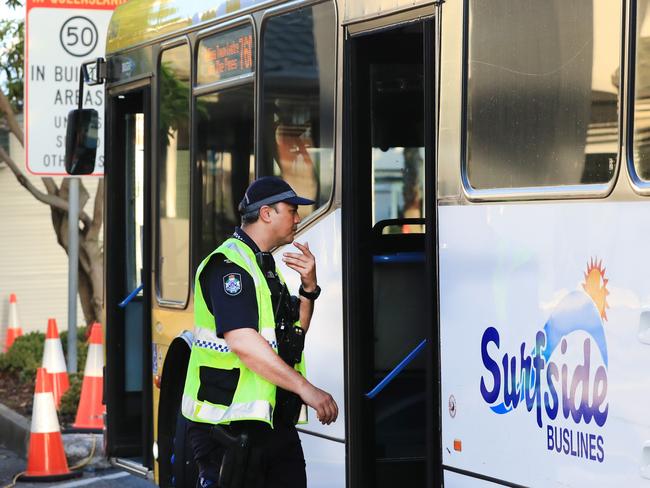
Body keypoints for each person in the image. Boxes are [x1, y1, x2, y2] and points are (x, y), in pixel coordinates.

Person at [182, 176, 339, 488]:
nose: (298, 217)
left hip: (271, 424)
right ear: (266, 213)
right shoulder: (229, 267)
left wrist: (309, 287)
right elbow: (243, 342)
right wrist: (306, 389)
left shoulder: (265, 266)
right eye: (291, 210)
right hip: (227, 428)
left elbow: (294, 336)